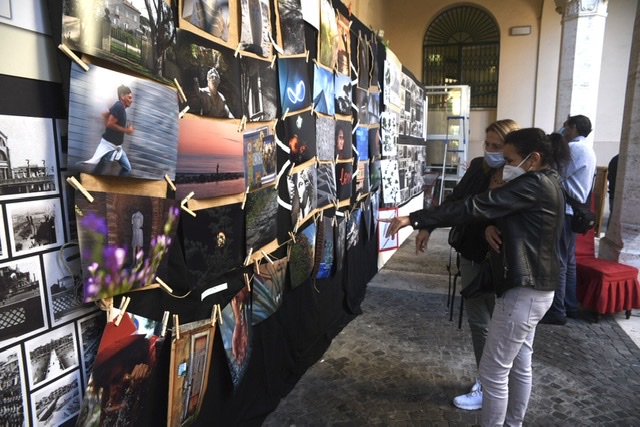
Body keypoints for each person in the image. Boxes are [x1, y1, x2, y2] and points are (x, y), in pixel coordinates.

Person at [384, 128, 570, 426]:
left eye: (509, 159)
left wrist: (415, 218)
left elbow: (474, 206)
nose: (504, 165)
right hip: (539, 286)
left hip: (524, 289)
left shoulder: (533, 183)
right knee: (520, 364)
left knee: (494, 373)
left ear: (533, 159)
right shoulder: (549, 180)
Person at [415, 119, 520, 411]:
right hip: (473, 254)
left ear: (512, 147)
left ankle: (503, 385)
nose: (490, 151)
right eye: (487, 144)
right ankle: (487, 384)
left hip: (506, 261)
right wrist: (427, 226)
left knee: (509, 329)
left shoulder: (521, 175)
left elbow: (516, 214)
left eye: (497, 146)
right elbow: (458, 201)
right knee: (480, 323)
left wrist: (490, 223)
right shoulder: (477, 167)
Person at [541, 114, 596, 325]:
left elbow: (556, 174)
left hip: (566, 211)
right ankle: (570, 305)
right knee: (569, 261)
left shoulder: (575, 149)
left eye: (565, 126)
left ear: (573, 127)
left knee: (560, 262)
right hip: (574, 210)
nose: (563, 130)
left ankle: (557, 310)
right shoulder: (587, 149)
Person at [78, 85, 134, 176]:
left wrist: (108, 129)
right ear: (123, 96)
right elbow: (110, 123)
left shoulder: (119, 107)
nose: (131, 100)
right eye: (130, 97)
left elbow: (105, 114)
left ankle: (115, 186)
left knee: (127, 169)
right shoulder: (119, 107)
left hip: (117, 148)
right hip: (109, 148)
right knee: (98, 172)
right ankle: (89, 184)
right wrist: (126, 130)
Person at [607, 154, 618, 226]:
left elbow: (609, 176)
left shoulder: (615, 159)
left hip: (613, 193)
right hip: (616, 194)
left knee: (612, 217)